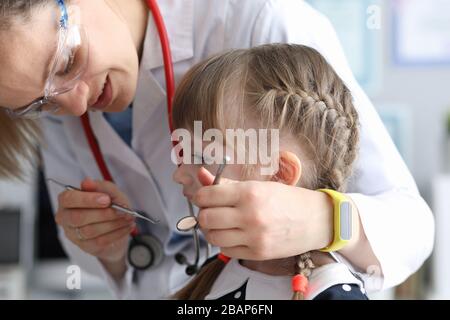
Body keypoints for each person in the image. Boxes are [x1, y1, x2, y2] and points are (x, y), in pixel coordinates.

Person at [0, 0, 434, 299]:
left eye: (68, 62)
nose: (73, 106)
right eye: (41, 104)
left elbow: (413, 227)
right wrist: (109, 249)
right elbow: (133, 274)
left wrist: (322, 217)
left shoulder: (255, 18)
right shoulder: (61, 106)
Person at [171, 43, 367, 300]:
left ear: (278, 174)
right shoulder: (218, 272)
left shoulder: (330, 294)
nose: (179, 175)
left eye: (202, 157)